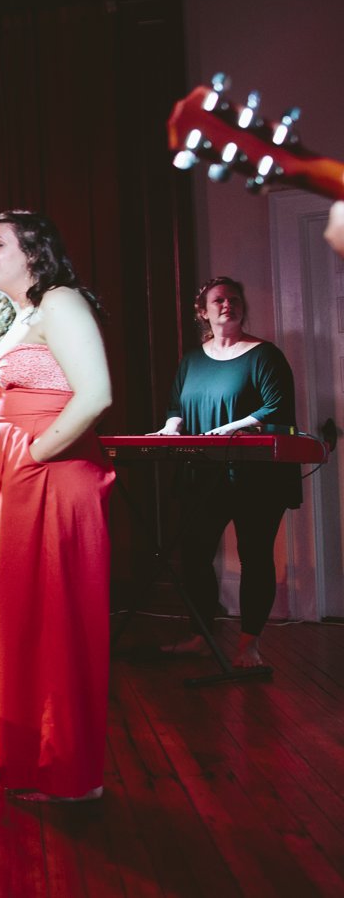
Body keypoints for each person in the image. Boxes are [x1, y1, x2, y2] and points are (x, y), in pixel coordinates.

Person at [0, 209, 112, 803]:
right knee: (16, 619)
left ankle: (67, 771)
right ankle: (31, 763)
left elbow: (95, 395)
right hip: (11, 476)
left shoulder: (61, 302)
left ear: (33, 253)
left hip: (51, 478)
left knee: (52, 623)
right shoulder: (17, 318)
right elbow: (26, 399)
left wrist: (35, 453)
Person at [153, 276, 301, 669]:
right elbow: (176, 405)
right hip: (204, 476)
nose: (228, 305)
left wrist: (237, 425)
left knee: (254, 556)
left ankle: (248, 645)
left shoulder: (265, 355)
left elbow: (277, 406)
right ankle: (202, 635)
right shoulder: (192, 359)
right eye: (219, 300)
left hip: (256, 479)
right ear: (203, 311)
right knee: (196, 554)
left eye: (235, 299)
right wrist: (171, 426)